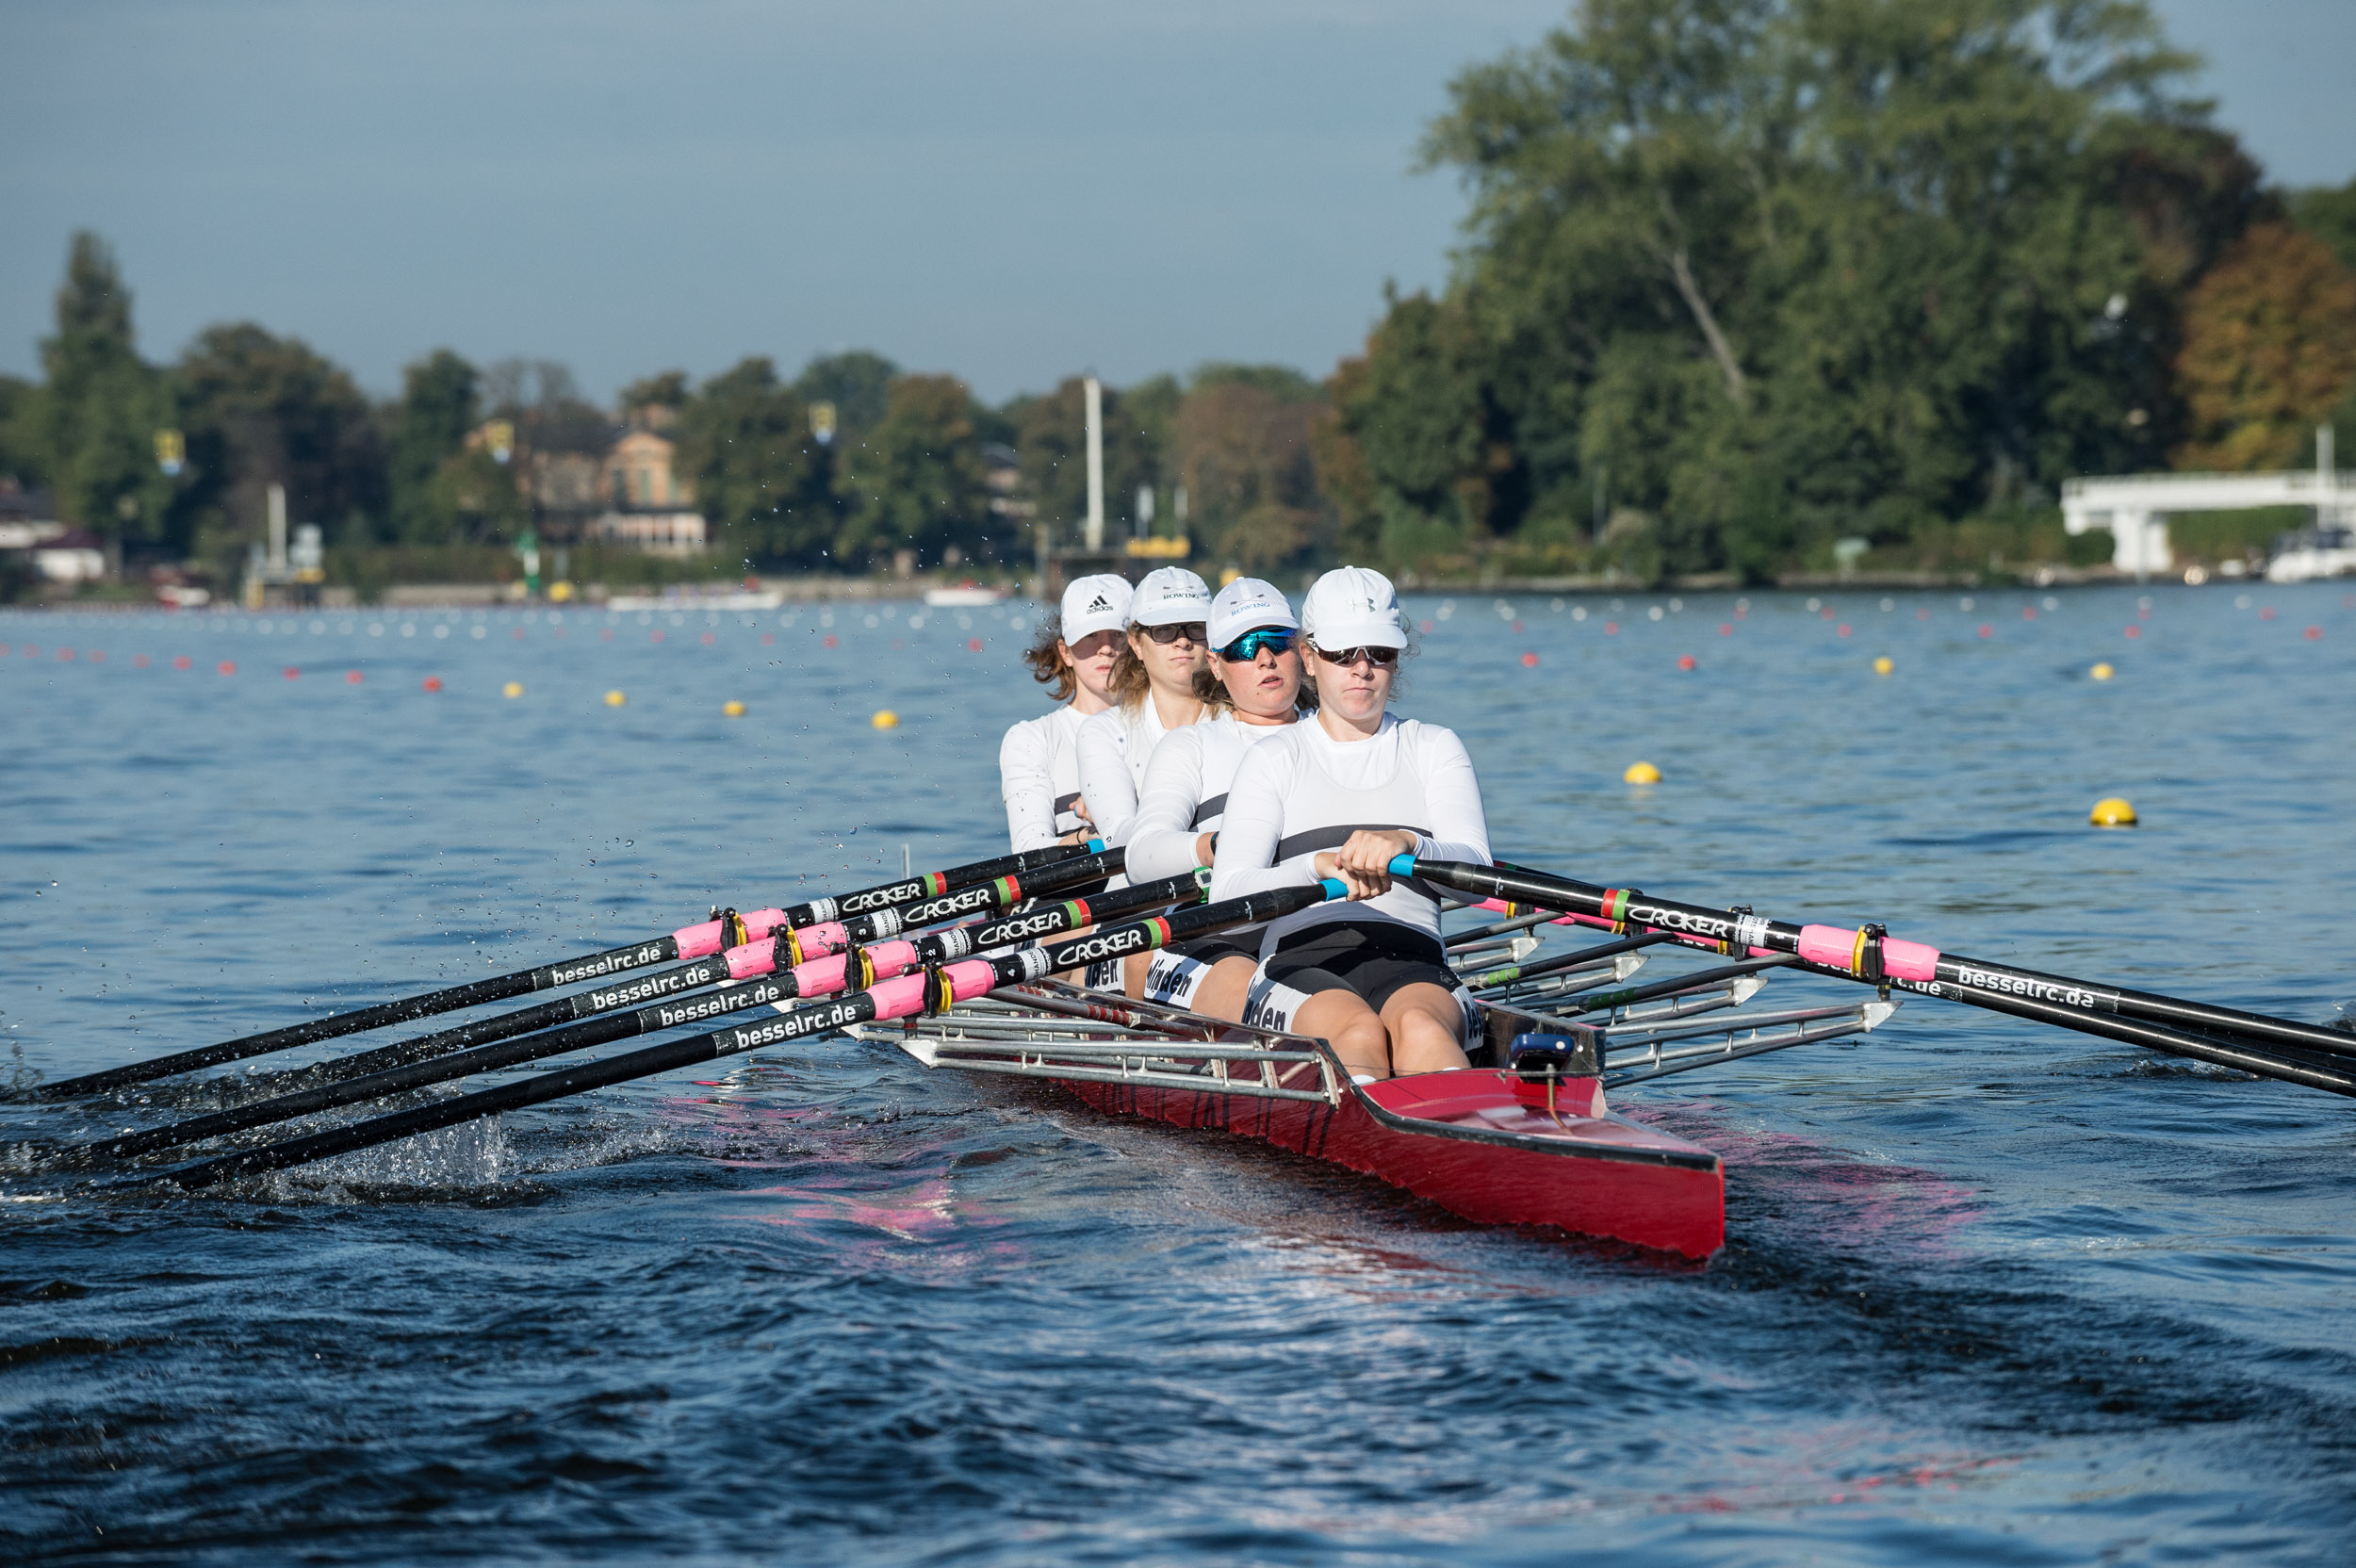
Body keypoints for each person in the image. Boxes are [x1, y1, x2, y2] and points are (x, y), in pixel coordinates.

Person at [1209, 565, 1491, 1080]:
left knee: (1423, 1030)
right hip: (1299, 961)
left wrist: (1409, 843)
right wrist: (1316, 866)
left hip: (1414, 957)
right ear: (1311, 659)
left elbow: (1476, 876)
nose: (1362, 668)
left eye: (1379, 652)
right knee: (1358, 1031)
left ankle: (1471, 1143)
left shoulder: (1434, 747)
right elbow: (1228, 898)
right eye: (1343, 654)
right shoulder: (1276, 756)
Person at [1119, 577, 1310, 1017]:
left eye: (1277, 641)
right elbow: (1142, 855)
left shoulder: (1337, 739)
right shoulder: (1193, 746)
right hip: (1215, 933)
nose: (1264, 658)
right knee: (1250, 983)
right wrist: (1220, 845)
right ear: (1216, 663)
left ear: (1301, 651)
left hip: (1311, 928)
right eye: (1244, 647)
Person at [1072, 565, 1213, 847]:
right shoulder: (1104, 732)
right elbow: (1119, 834)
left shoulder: (1243, 718)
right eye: (1165, 630)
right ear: (1136, 644)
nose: (1183, 641)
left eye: (1196, 628)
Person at [999, 574, 1131, 851]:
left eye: (1118, 635)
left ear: (1137, 645)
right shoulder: (1032, 740)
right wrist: (1093, 835)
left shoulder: (1166, 724)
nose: (1106, 648)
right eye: (1091, 635)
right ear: (1065, 652)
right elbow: (1030, 848)